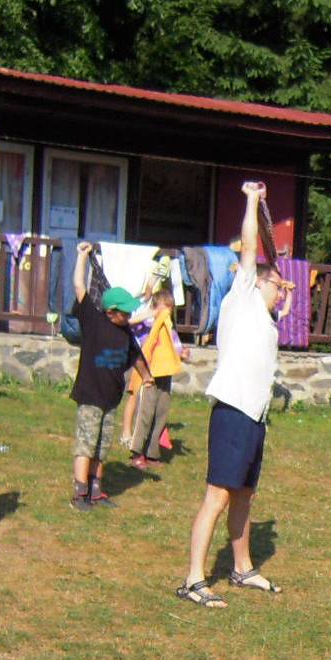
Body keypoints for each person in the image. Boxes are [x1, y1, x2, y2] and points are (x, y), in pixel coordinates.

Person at [175, 181, 290, 607]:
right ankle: (193, 579)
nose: (282, 291)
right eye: (278, 285)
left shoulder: (264, 318)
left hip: (254, 416)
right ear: (257, 283)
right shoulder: (242, 297)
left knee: (243, 494)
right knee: (218, 496)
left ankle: (242, 569)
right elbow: (249, 246)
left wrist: (282, 302)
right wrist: (252, 200)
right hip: (233, 412)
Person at [66, 241, 146, 510]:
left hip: (111, 399)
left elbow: (135, 357)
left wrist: (147, 377)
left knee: (101, 447)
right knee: (86, 445)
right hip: (90, 396)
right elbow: (79, 286)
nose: (130, 314)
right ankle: (79, 493)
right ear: (111, 311)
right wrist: (82, 256)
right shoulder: (93, 320)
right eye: (126, 311)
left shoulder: (125, 333)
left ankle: (96, 490)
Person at [127, 290, 187, 468]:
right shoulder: (145, 325)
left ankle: (152, 453)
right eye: (165, 307)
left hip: (165, 374)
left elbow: (176, 347)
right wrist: (151, 314)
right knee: (145, 413)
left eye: (170, 308)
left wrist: (183, 354)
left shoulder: (169, 329)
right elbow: (129, 323)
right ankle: (137, 451)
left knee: (161, 413)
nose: (168, 312)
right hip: (149, 374)